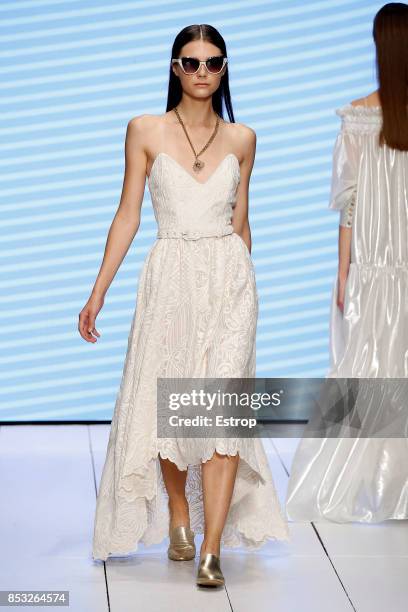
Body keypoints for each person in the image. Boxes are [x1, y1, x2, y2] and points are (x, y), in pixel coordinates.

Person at [78, 24, 289, 586]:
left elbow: (242, 222)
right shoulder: (144, 130)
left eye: (213, 62)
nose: (202, 72)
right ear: (175, 68)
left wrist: (249, 293)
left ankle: (212, 549)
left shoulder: (242, 138)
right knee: (170, 407)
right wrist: (98, 291)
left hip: (229, 281)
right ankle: (178, 515)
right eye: (191, 62)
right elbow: (127, 215)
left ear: (225, 69)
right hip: (169, 276)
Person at [285, 3, 408, 523]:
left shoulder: (359, 116)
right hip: (382, 268)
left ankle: (367, 488)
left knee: (365, 372)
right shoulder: (360, 118)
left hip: (375, 269)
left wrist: (344, 271)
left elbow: (349, 205)